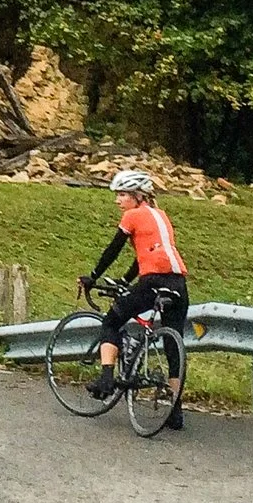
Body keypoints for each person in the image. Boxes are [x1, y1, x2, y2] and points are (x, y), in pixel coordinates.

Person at [77, 167, 187, 428]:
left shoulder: (133, 216)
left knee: (112, 322)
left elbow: (113, 249)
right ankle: (175, 411)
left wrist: (93, 276)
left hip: (153, 281)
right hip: (179, 283)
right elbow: (146, 256)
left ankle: (105, 379)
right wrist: (125, 282)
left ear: (138, 197)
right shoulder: (162, 216)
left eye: (122, 194)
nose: (118, 200)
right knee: (174, 347)